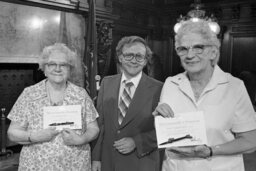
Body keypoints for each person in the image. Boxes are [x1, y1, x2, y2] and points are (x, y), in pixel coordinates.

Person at [153, 18, 256, 171]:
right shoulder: (171, 83)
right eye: (183, 49)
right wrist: (159, 119)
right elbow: (166, 133)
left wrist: (211, 150)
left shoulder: (234, 86)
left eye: (198, 47)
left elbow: (250, 141)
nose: (189, 55)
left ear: (213, 52)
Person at [7, 43, 99, 171]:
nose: (58, 68)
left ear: (70, 69)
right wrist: (34, 136)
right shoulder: (29, 94)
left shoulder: (80, 94)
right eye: (52, 64)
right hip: (36, 165)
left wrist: (81, 139)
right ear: (44, 68)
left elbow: (94, 128)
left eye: (63, 65)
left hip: (76, 165)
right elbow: (12, 133)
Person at [92, 36, 163, 171]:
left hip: (140, 162)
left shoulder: (159, 88)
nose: (134, 60)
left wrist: (137, 142)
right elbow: (100, 123)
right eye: (129, 55)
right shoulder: (107, 83)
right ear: (120, 58)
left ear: (145, 61)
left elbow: (165, 130)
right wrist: (96, 157)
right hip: (108, 162)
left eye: (139, 56)